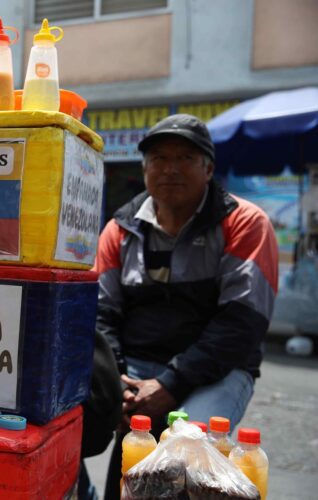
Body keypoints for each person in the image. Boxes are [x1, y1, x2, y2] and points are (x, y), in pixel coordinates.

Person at [93, 114, 278, 499]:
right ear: (144, 169)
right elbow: (101, 315)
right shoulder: (119, 230)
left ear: (208, 168)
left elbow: (241, 324)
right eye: (159, 158)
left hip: (218, 371)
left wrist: (170, 384)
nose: (170, 169)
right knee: (65, 415)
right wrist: (121, 381)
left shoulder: (244, 223)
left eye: (185, 158)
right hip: (136, 369)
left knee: (186, 455)